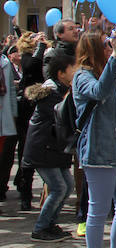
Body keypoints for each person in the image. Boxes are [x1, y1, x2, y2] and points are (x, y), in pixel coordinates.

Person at [73, 30, 116, 248]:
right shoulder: (82, 77)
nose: (110, 46)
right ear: (93, 48)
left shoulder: (113, 75)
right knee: (99, 210)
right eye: (105, 44)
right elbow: (98, 92)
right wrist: (115, 57)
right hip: (100, 150)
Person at [23, 54, 77, 241]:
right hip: (43, 149)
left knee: (67, 185)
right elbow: (62, 118)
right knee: (58, 187)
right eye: (73, 68)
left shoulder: (63, 90)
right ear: (61, 73)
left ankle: (50, 224)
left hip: (54, 150)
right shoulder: (50, 94)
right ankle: (40, 228)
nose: (76, 71)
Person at [14, 31, 47, 210]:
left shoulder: (44, 55)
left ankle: (41, 192)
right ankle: (25, 192)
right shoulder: (27, 56)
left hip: (43, 107)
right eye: (35, 37)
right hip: (28, 109)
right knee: (27, 150)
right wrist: (40, 46)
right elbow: (31, 66)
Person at [0, 46, 17, 205]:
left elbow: (10, 90)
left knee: (3, 157)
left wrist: (13, 114)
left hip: (3, 116)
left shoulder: (4, 62)